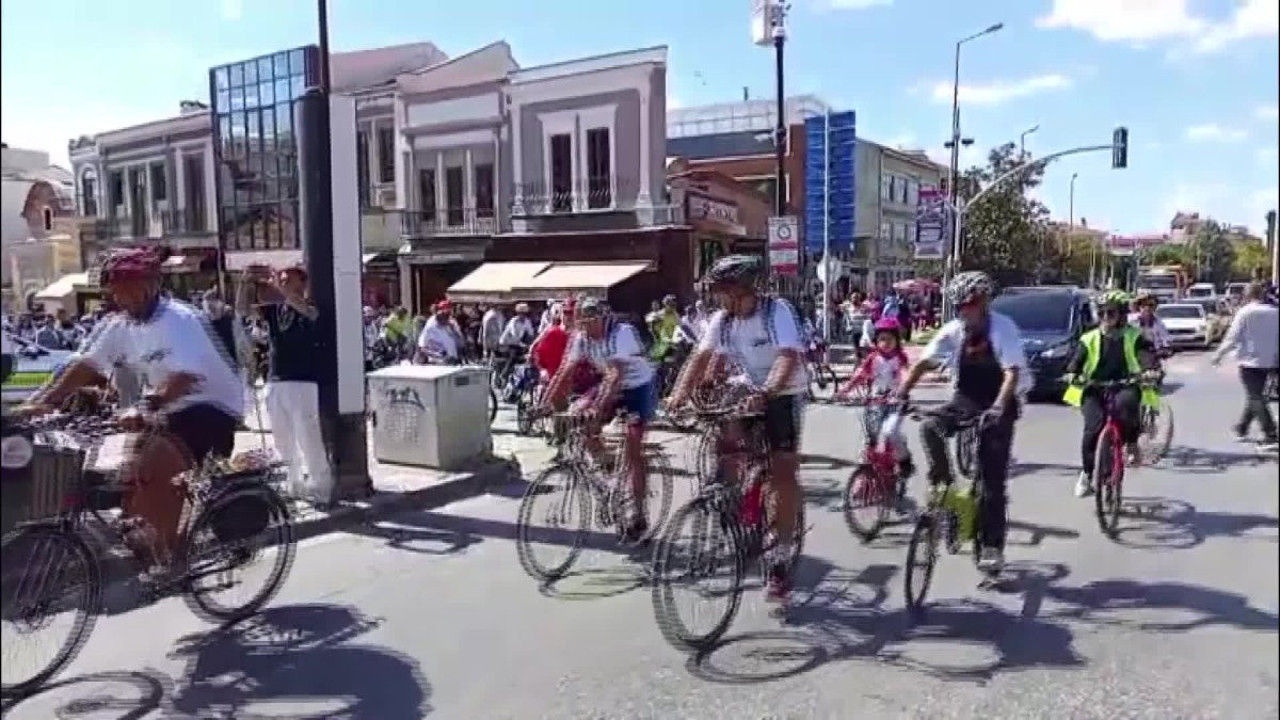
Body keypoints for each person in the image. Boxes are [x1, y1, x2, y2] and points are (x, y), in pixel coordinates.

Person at [19, 248, 244, 568]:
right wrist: (43, 400)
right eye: (116, 290)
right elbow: (85, 364)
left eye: (129, 289)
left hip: (211, 405)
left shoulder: (179, 320)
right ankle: (159, 543)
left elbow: (185, 377)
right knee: (125, 469)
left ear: (151, 286)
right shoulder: (119, 325)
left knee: (155, 468)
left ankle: (171, 555)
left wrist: (145, 405)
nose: (122, 298)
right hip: (170, 407)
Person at [668, 254, 808, 602]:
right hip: (747, 387)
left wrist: (768, 392)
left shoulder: (776, 312)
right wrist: (678, 395)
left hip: (784, 391)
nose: (718, 298)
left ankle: (780, 554)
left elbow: (787, 357)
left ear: (743, 290)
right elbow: (700, 357)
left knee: (782, 469)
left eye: (722, 291)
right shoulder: (722, 320)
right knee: (722, 424)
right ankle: (728, 490)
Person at [896, 271, 1028, 574]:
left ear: (983, 302)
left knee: (991, 480)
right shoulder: (954, 330)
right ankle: (944, 481)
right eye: (958, 307)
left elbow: (1011, 372)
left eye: (968, 305)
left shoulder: (1003, 328)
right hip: (966, 398)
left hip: (1000, 401)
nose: (963, 312)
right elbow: (924, 362)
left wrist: (998, 407)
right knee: (930, 426)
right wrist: (901, 393)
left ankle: (992, 546)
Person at [541, 297, 657, 543]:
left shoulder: (622, 332)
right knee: (579, 419)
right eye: (583, 323)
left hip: (638, 387)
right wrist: (544, 404)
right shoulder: (581, 337)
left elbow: (616, 375)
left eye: (592, 322)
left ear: (604, 319)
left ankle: (638, 510)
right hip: (609, 383)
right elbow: (564, 371)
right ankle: (609, 469)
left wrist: (598, 407)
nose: (588, 328)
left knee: (633, 443)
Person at [236, 264, 333, 505]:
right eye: (282, 278)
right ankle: (293, 484)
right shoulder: (276, 310)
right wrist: (245, 283)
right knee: (282, 439)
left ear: (302, 282)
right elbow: (243, 310)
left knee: (308, 437)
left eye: (289, 278)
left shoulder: (310, 307)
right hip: (276, 379)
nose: (283, 281)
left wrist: (278, 289)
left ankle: (321, 487)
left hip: (303, 381)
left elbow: (307, 312)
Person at [1062, 290, 1163, 498]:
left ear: (1122, 314)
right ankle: (1087, 473)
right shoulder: (1089, 338)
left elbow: (1145, 356)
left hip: (1125, 384)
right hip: (1094, 386)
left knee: (1127, 405)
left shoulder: (1134, 336)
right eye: (1102, 313)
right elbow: (1076, 361)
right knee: (1093, 428)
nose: (1106, 318)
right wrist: (1072, 373)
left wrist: (1150, 370)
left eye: (1111, 313)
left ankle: (1131, 444)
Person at [838, 316, 914, 478]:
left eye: (890, 339)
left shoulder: (900, 358)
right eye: (882, 339)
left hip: (896, 402)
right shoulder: (873, 358)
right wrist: (845, 390)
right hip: (875, 401)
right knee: (871, 435)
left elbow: (905, 374)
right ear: (876, 341)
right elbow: (860, 375)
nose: (886, 343)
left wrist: (902, 390)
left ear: (897, 341)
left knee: (890, 432)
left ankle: (904, 460)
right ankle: (868, 470)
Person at [1212, 282, 1279, 450]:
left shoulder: (1245, 312)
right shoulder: (1275, 312)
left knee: (1256, 397)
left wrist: (1218, 355)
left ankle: (1270, 433)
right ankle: (1242, 428)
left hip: (1249, 361)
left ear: (1247, 295)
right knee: (1255, 395)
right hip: (1270, 360)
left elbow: (1232, 337)